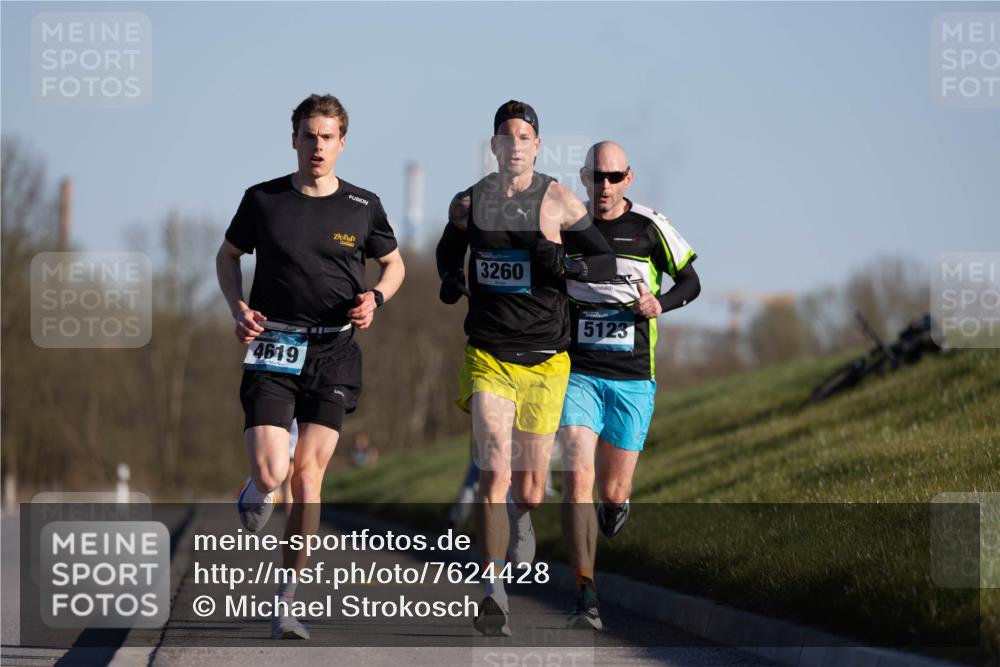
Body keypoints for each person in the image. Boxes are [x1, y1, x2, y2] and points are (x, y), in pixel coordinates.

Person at [215, 93, 405, 640]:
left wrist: (376, 298)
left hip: (334, 352)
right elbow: (228, 256)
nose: (317, 146)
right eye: (308, 136)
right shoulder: (263, 199)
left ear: (342, 143)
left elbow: (393, 265)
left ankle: (286, 599)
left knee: (308, 477)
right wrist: (238, 308)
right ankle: (257, 487)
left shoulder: (363, 205)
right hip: (274, 346)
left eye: (327, 137)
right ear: (294, 139)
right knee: (273, 473)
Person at [436, 101, 616, 636]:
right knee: (493, 468)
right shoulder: (470, 202)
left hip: (545, 360)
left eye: (524, 137)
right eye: (506, 136)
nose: (514, 145)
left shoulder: (558, 200)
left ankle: (522, 516)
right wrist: (452, 279)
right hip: (489, 353)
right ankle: (493, 591)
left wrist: (563, 264)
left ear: (537, 147)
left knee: (531, 488)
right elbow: (448, 249)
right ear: (494, 146)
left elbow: (602, 261)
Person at [559, 141, 700, 630]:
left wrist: (660, 304)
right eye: (596, 176)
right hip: (577, 373)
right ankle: (585, 594)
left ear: (628, 178)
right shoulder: (566, 225)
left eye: (614, 177)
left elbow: (691, 282)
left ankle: (616, 505)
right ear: (584, 177)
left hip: (633, 378)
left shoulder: (650, 226)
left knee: (613, 489)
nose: (604, 186)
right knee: (577, 478)